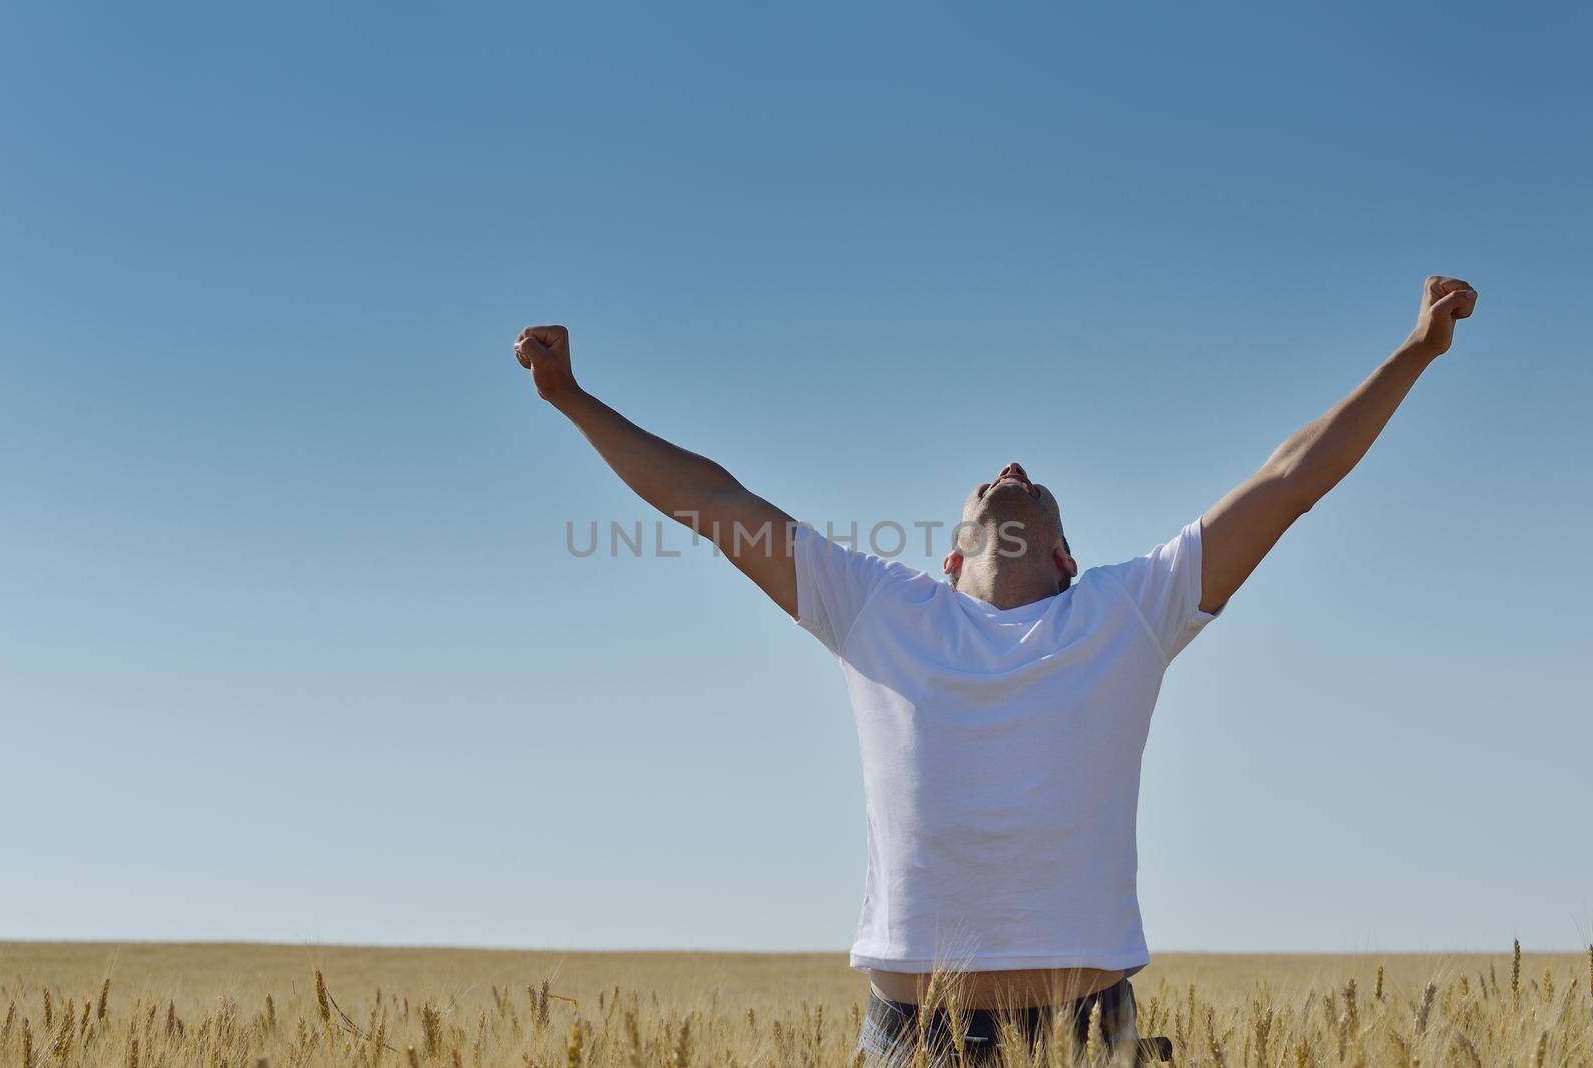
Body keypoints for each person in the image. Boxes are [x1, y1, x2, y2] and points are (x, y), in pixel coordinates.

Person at [513, 276, 1478, 1064]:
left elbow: (1288, 481)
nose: (1009, 463)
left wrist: (1416, 351)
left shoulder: (1127, 611)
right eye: (992, 478)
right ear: (948, 561)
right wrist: (569, 398)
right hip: (912, 1039)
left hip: (1086, 1036)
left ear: (1066, 560)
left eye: (1030, 480)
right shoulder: (881, 608)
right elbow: (705, 497)